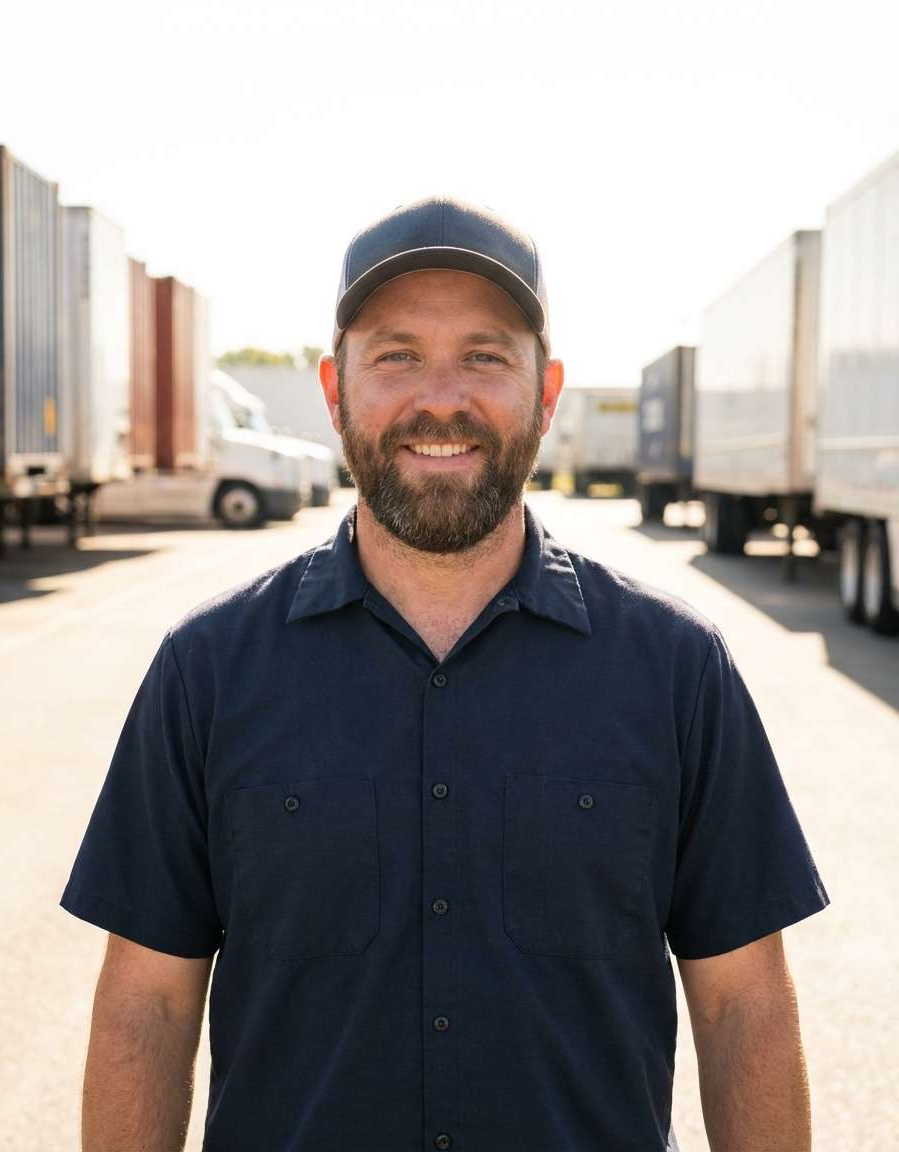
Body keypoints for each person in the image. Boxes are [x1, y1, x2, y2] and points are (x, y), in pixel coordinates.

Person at [61, 195, 830, 1152]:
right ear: (335, 391)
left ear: (545, 393)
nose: (441, 398)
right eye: (396, 355)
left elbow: (741, 1007)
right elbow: (149, 1005)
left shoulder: (676, 671)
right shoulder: (207, 672)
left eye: (483, 355)